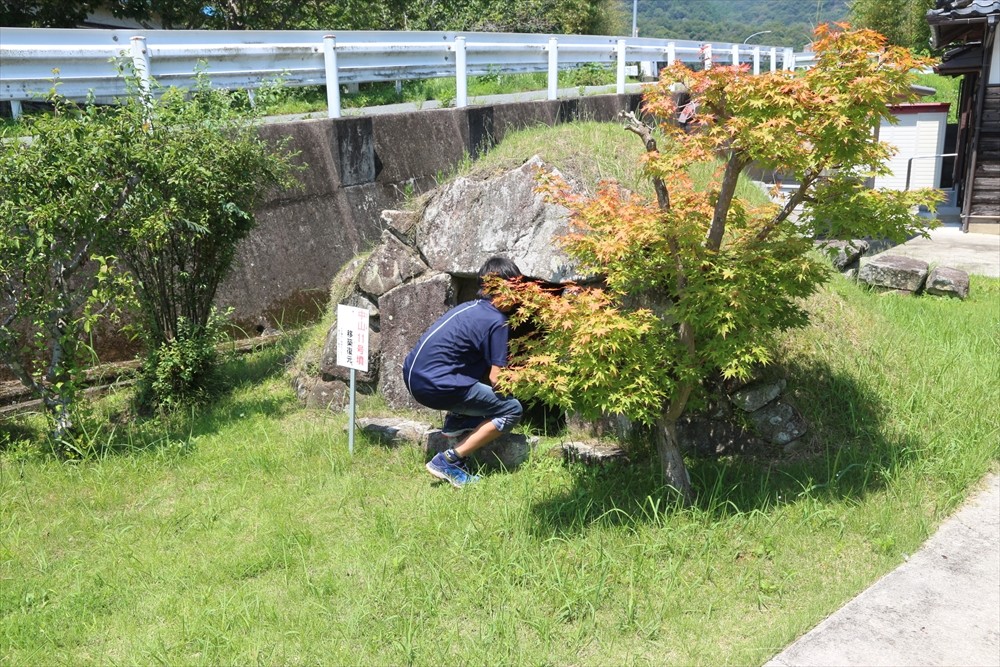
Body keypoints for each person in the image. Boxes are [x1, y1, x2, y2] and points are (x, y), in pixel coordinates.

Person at [402, 256, 524, 488]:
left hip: (414, 377)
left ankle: (457, 419)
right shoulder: (498, 321)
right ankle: (449, 461)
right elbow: (496, 379)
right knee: (511, 409)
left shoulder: (467, 307)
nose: (519, 295)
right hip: (437, 386)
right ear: (503, 288)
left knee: (474, 367)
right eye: (516, 287)